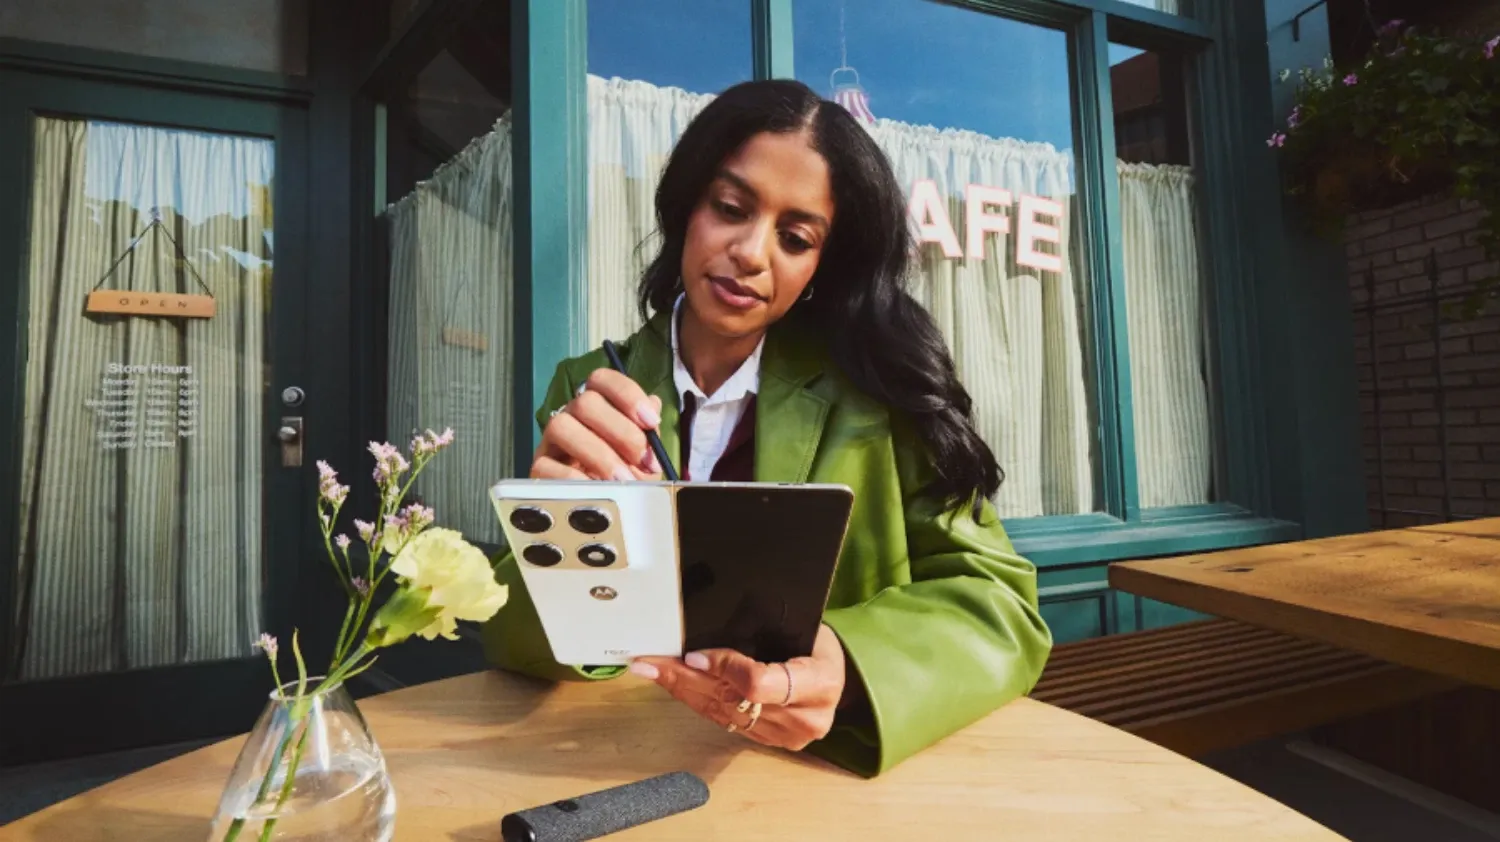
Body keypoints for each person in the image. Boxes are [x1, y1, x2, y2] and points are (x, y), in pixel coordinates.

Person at [482, 78, 1052, 778]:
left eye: (795, 236)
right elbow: (513, 640)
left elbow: (1002, 605)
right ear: (687, 204)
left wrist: (850, 662)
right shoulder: (590, 386)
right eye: (730, 207)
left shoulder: (878, 392)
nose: (752, 252)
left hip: (814, 773)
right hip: (618, 760)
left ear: (820, 264)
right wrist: (561, 536)